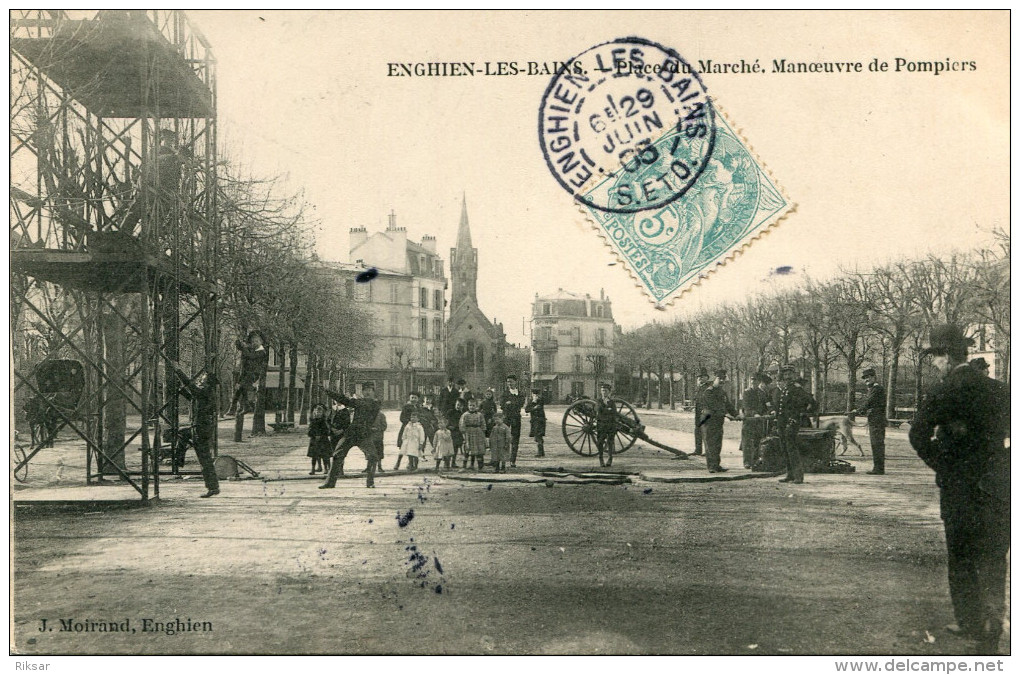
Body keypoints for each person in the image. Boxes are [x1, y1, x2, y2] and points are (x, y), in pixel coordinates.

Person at [909, 324, 1010, 653]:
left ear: (946, 357)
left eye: (935, 358)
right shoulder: (1000, 390)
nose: (935, 365)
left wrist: (945, 465)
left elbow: (917, 435)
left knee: (963, 556)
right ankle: (995, 619)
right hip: (998, 487)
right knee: (994, 556)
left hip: (959, 489)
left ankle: (970, 622)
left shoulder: (944, 391)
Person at [169, 362, 219, 498]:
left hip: (200, 429)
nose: (199, 379)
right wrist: (181, 390)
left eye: (202, 378)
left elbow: (193, 389)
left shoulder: (205, 391)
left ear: (207, 382)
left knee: (204, 459)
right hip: (199, 428)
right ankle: (178, 462)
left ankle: (213, 487)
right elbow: (192, 398)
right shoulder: (205, 392)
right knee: (182, 434)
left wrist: (179, 371)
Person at [320, 383, 381, 488]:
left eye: (370, 390)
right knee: (337, 455)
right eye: (365, 390)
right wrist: (327, 391)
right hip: (351, 433)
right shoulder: (359, 402)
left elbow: (348, 401)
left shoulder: (375, 403)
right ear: (362, 392)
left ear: (373, 392)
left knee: (373, 457)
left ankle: (370, 482)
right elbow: (343, 399)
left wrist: (352, 400)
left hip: (363, 434)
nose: (367, 392)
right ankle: (330, 482)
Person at [771, 365, 815, 484]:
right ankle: (790, 474)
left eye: (789, 374)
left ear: (794, 375)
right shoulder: (785, 388)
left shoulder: (797, 388)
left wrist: (797, 415)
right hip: (782, 422)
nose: (787, 376)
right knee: (785, 448)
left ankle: (798, 476)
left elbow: (810, 401)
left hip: (791, 422)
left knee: (792, 449)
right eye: (785, 374)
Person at [697, 369, 740, 473]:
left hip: (718, 420)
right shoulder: (708, 391)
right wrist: (727, 414)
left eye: (723, 379)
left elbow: (728, 405)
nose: (721, 381)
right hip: (708, 421)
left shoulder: (722, 392)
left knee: (717, 443)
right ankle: (711, 466)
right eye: (719, 378)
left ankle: (716, 465)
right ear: (714, 379)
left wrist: (736, 414)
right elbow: (714, 406)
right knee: (710, 443)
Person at [854, 367, 888, 475]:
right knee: (876, 444)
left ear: (874, 377)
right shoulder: (873, 389)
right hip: (875, 420)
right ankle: (878, 468)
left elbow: (869, 402)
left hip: (877, 421)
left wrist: (859, 411)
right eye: (864, 378)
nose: (866, 380)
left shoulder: (877, 389)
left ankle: (878, 469)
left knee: (877, 444)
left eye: (868, 377)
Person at [225, 331, 268, 417]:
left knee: (240, 389)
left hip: (252, 374)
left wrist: (244, 347)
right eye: (253, 341)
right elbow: (243, 349)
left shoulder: (261, 352)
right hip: (245, 373)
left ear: (261, 342)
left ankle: (235, 408)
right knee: (240, 389)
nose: (254, 343)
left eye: (257, 341)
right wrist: (239, 342)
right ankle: (245, 406)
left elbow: (250, 356)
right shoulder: (252, 349)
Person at [740, 372, 771, 469]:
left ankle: (755, 460)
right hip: (749, 420)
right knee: (747, 442)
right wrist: (754, 414)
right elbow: (746, 407)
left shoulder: (762, 393)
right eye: (752, 380)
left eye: (755, 381)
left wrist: (770, 411)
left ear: (758, 382)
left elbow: (767, 404)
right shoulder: (746, 392)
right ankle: (747, 462)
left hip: (759, 421)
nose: (753, 382)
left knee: (758, 440)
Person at [500, 375, 526, 467]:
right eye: (508, 382)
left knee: (515, 439)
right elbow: (502, 404)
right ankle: (503, 459)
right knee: (504, 438)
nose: (509, 383)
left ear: (515, 382)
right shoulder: (504, 393)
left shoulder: (520, 393)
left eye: (511, 381)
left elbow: (521, 403)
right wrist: (512, 404)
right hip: (506, 418)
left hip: (516, 418)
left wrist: (510, 403)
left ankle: (513, 460)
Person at [594, 382, 620, 468]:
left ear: (608, 392)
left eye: (605, 391)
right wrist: (607, 410)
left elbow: (614, 413)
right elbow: (598, 410)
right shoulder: (598, 401)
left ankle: (609, 459)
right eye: (602, 391)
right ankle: (601, 460)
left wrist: (606, 410)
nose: (603, 392)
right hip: (601, 425)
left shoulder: (611, 402)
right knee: (600, 442)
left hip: (610, 425)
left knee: (610, 442)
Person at [394, 392, 421, 471]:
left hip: (415, 429)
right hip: (407, 428)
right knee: (403, 446)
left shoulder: (418, 407)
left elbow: (421, 417)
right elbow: (402, 418)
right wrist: (409, 422)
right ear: (409, 398)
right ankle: (398, 463)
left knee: (414, 447)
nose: (413, 399)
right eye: (412, 397)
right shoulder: (406, 407)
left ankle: (411, 464)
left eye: (415, 398)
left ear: (418, 399)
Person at [459, 398, 487, 471]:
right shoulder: (465, 415)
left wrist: (483, 434)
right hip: (468, 433)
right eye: (470, 405)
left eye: (473, 405)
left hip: (478, 433)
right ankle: (464, 466)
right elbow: (462, 425)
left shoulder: (479, 415)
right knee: (467, 449)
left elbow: (483, 424)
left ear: (476, 406)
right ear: (468, 406)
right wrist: (464, 434)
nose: (472, 407)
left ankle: (481, 466)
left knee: (478, 449)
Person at [364, 410, 387, 488]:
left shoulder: (381, 415)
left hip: (378, 437)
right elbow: (365, 425)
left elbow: (384, 426)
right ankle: (368, 469)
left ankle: (379, 466)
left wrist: (377, 429)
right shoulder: (367, 414)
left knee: (379, 453)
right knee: (369, 455)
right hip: (369, 438)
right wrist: (369, 429)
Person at [307, 403, 332, 475]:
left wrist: (321, 435)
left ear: (322, 413)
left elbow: (327, 431)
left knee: (325, 455)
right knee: (314, 456)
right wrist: (313, 435)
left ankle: (326, 468)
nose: (318, 413)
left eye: (320, 412)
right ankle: (313, 469)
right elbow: (309, 431)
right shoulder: (312, 421)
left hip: (323, 440)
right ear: (314, 412)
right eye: (317, 412)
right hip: (314, 440)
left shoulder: (324, 421)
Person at [692, 369, 711, 455]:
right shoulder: (698, 388)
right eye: (698, 377)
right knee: (697, 431)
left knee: (706, 432)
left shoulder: (708, 388)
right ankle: (698, 450)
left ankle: (707, 451)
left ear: (707, 378)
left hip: (705, 412)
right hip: (698, 412)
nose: (700, 379)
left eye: (702, 377)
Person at [525, 387, 547, 458]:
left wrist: (536, 401)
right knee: (537, 436)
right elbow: (526, 410)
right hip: (534, 421)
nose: (535, 396)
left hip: (540, 420)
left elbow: (543, 402)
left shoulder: (541, 400)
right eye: (534, 394)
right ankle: (542, 452)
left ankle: (540, 452)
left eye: (536, 394)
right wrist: (533, 406)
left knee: (538, 435)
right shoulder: (531, 401)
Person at [448, 398, 465, 469]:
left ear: (463, 406)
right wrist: (448, 426)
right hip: (451, 431)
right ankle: (447, 463)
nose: (458, 406)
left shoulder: (462, 414)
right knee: (449, 447)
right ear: (455, 404)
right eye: (457, 405)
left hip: (458, 433)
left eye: (460, 405)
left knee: (456, 448)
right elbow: (447, 420)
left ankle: (453, 462)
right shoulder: (450, 412)